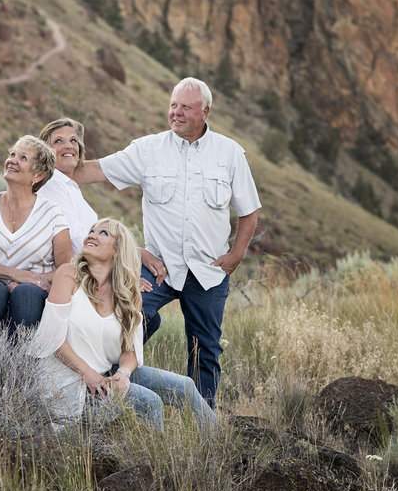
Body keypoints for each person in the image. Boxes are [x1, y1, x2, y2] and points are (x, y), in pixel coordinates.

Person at [74, 77, 260, 408]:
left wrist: (236, 255)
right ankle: (112, 390)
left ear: (205, 111)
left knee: (205, 347)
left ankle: (203, 421)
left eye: (185, 107)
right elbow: (95, 171)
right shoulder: (149, 149)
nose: (176, 112)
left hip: (208, 270)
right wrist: (50, 163)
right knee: (130, 317)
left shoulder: (229, 154)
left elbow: (249, 212)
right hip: (157, 267)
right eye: (173, 105)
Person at [32, 218, 216, 430]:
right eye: (91, 230)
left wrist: (124, 374)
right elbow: (51, 339)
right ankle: (153, 461)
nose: (91, 234)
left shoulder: (129, 293)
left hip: (106, 373)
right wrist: (89, 375)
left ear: (117, 251)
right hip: (67, 380)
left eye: (103, 233)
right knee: (149, 402)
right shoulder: (68, 275)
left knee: (185, 386)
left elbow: (130, 350)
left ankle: (222, 447)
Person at [0, 135, 74, 330]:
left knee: (26, 293)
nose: (12, 160)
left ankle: (20, 359)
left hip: (31, 297)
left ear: (38, 175)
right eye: (12, 154)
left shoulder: (53, 214)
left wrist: (26, 281)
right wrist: (15, 276)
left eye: (23, 158)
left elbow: (66, 269)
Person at [37, 118, 97, 252]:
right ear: (46, 151)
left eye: (73, 141)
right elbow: (73, 238)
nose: (68, 146)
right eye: (59, 141)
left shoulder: (68, 185)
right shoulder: (51, 184)